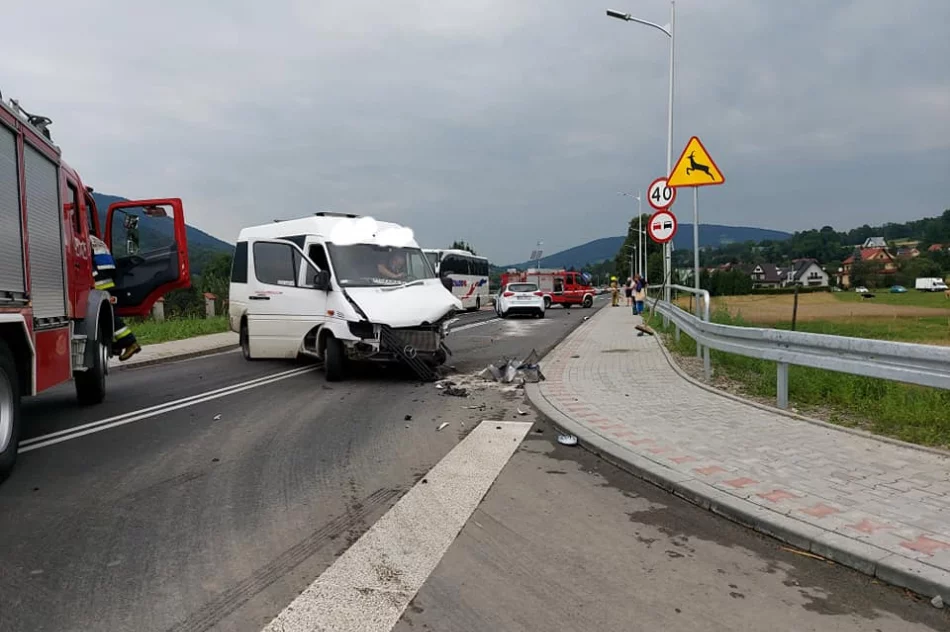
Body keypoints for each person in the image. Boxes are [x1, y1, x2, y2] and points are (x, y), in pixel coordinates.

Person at [90, 235, 141, 361]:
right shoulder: (95, 240)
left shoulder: (82, 240)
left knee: (107, 314)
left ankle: (129, 342)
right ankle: (117, 345)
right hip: (108, 277)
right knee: (108, 312)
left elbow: (87, 262)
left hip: (99, 278)